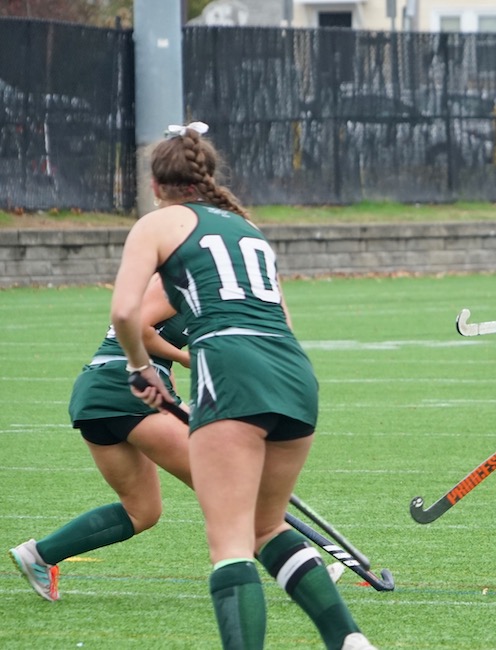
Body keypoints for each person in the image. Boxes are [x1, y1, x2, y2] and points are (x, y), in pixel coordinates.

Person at [109, 122, 376, 650]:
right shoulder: (248, 228)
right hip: (294, 372)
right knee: (265, 527)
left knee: (229, 544)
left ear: (157, 185)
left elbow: (124, 312)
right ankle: (350, 642)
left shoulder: (157, 224)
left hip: (231, 367)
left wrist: (141, 369)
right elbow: (283, 317)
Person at [9, 274, 192, 602]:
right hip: (127, 387)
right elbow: (135, 330)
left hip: (100, 394)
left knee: (142, 512)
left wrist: (182, 411)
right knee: (230, 491)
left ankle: (40, 555)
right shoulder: (177, 281)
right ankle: (302, 572)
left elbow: (159, 360)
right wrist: (185, 357)